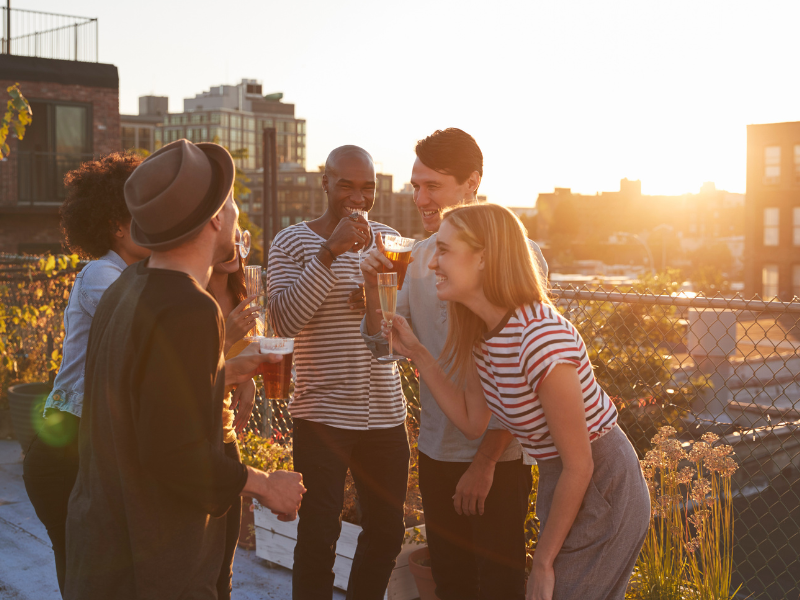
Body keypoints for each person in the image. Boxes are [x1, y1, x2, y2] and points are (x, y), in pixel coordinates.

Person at [64, 139, 306, 600]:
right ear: (215, 218)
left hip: (103, 550)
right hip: (154, 565)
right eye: (233, 203)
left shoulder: (128, 288)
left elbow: (147, 405)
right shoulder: (189, 309)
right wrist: (265, 485)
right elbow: (174, 454)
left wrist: (224, 373)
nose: (236, 216)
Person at [381, 203, 651, 600]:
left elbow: (581, 464)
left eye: (445, 250)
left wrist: (541, 563)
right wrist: (418, 352)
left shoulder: (540, 337)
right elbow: (474, 421)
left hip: (603, 483)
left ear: (485, 258)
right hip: (563, 479)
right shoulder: (482, 335)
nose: (434, 263)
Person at [361, 128, 547, 600]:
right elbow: (383, 348)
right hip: (436, 452)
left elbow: (524, 379)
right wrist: (372, 290)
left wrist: (485, 461)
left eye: (432, 186)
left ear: (472, 183)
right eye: (415, 185)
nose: (419, 197)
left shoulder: (517, 258)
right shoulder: (418, 257)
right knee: (451, 583)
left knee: (501, 585)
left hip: (498, 460)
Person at [267, 145, 409, 599]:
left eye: (366, 187)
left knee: (387, 532)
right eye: (345, 184)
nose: (357, 196)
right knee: (319, 535)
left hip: (385, 413)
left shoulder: (389, 240)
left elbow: (392, 332)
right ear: (324, 183)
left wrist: (371, 296)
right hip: (322, 413)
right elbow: (284, 322)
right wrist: (329, 255)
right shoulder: (293, 242)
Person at [22, 152, 150, 596]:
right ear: (117, 223)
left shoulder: (137, 273)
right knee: (84, 576)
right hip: (64, 449)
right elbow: (145, 333)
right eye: (144, 216)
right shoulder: (102, 273)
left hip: (90, 446)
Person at [206, 230, 260, 600]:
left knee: (224, 562)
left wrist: (248, 378)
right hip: (195, 438)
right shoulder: (191, 297)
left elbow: (242, 357)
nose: (232, 245)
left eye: (238, 237)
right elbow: (184, 375)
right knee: (198, 565)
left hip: (224, 432)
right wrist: (227, 350)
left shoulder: (242, 294)